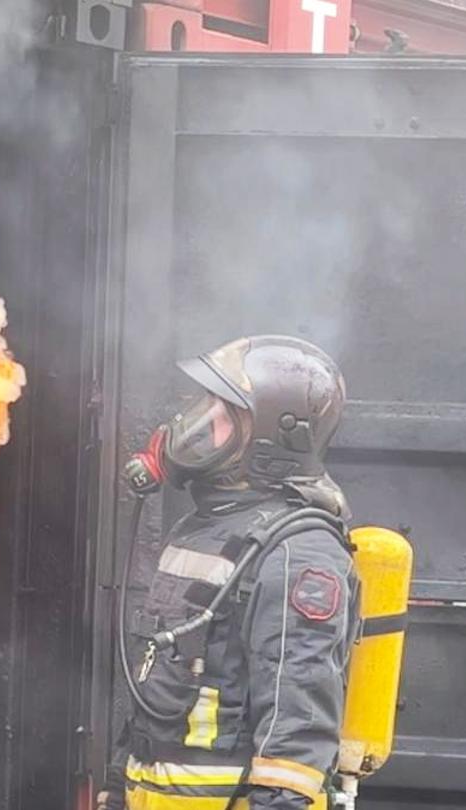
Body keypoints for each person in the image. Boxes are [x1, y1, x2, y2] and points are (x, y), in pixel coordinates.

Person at [98, 335, 360, 810]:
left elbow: (296, 735)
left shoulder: (297, 552)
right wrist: (115, 791)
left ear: (272, 436)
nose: (195, 425)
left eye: (221, 413)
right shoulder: (200, 528)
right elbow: (157, 689)